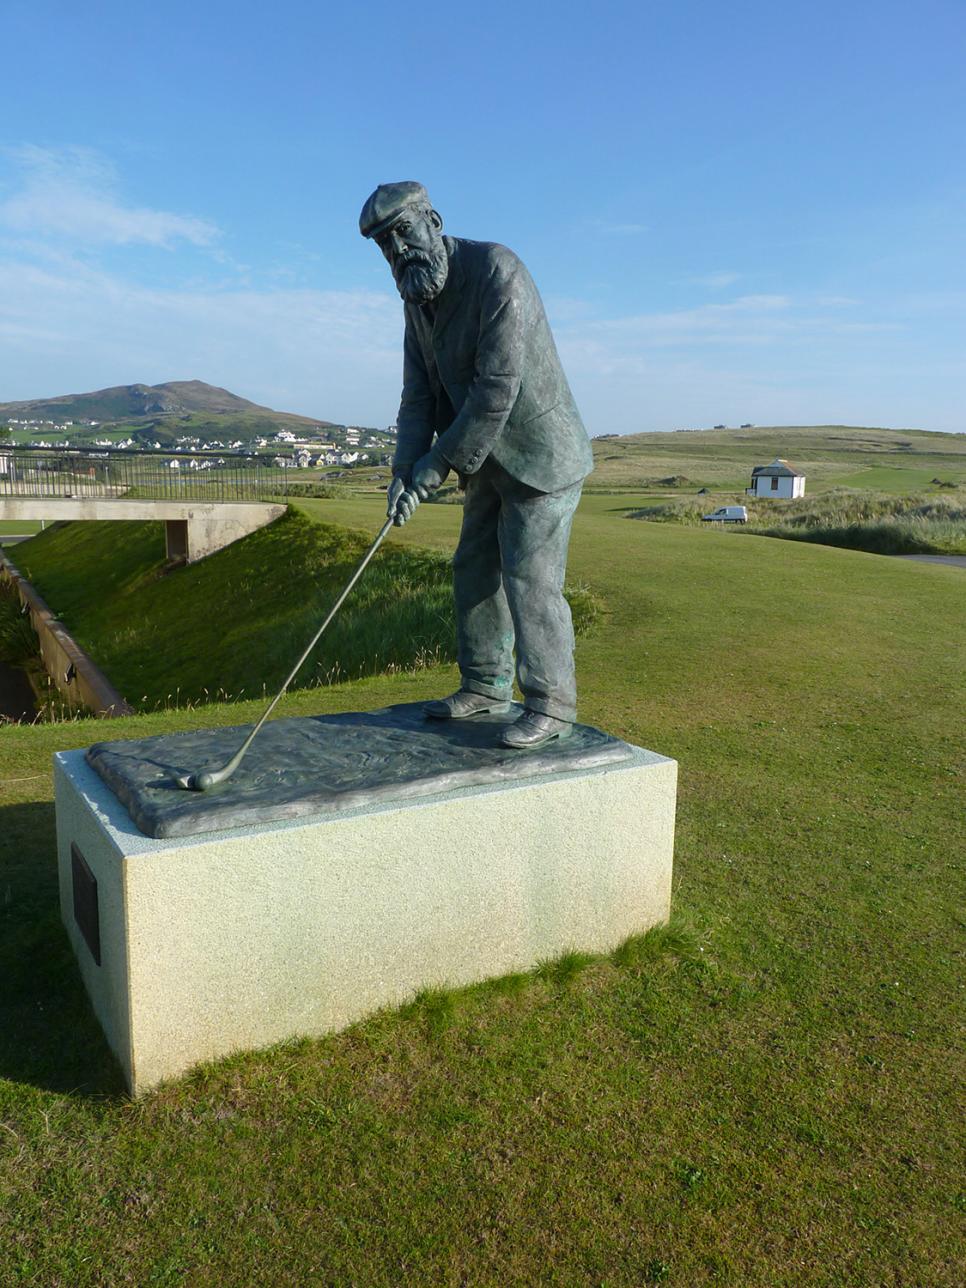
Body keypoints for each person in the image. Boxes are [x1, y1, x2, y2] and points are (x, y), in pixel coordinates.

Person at [360, 181, 593, 750]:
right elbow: (417, 397)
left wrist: (435, 466)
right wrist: (401, 469)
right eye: (386, 246)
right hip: (486, 456)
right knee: (473, 566)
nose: (399, 252)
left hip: (542, 453)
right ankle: (486, 685)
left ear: (433, 220)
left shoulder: (496, 269)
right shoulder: (417, 300)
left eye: (405, 233)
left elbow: (497, 389)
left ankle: (551, 704)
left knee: (528, 576)